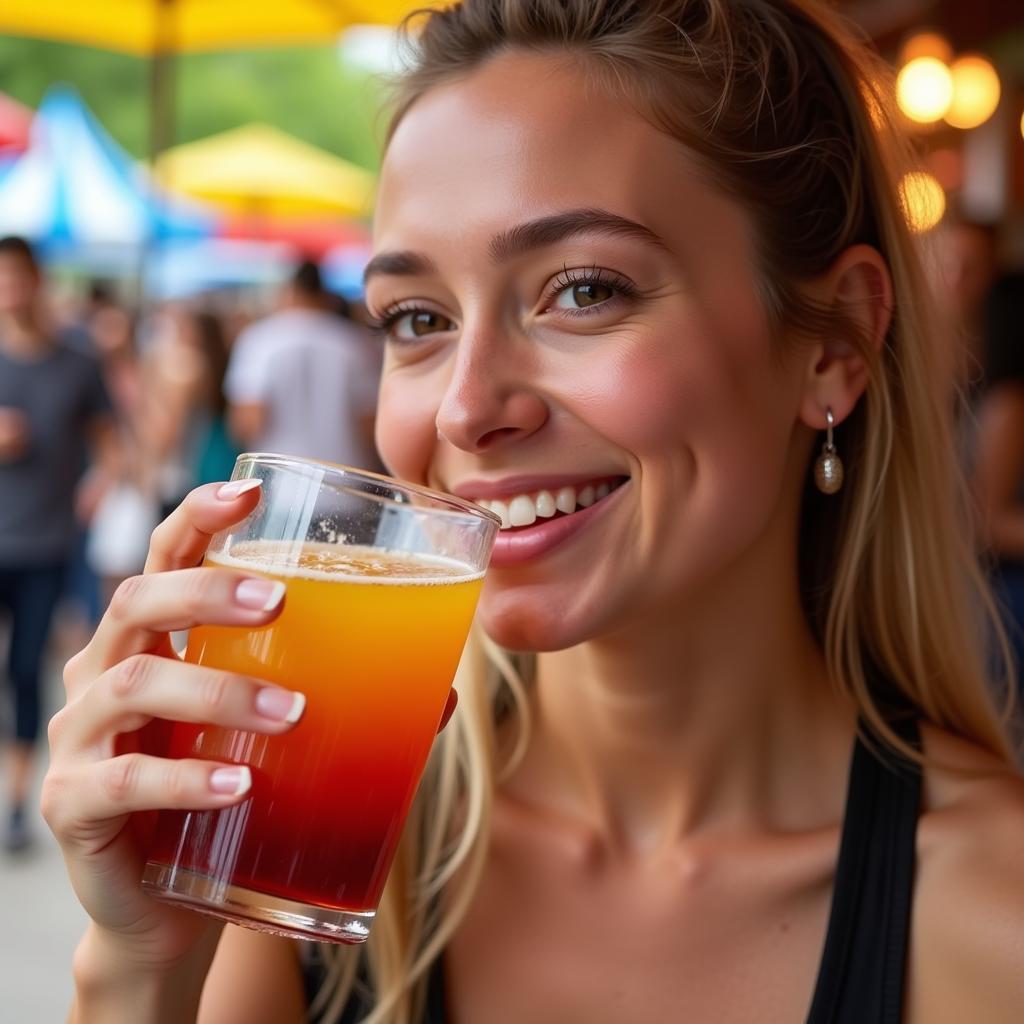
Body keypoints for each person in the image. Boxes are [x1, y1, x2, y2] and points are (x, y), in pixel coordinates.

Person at [41, 2, 1024, 1022]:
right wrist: (136, 966)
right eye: (417, 319)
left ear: (834, 348)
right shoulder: (311, 864)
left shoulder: (993, 922)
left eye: (584, 290)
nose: (466, 406)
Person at [0, 235, 115, 853]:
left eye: (18, 275)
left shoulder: (77, 362)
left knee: (26, 671)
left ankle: (17, 802)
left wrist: (98, 483)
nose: (10, 288)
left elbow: (109, 440)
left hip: (46, 541)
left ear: (37, 280)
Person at [225, 259, 381, 471]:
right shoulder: (354, 343)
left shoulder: (259, 340)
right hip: (344, 480)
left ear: (289, 291)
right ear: (324, 295)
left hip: (278, 480)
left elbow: (248, 422)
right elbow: (369, 426)